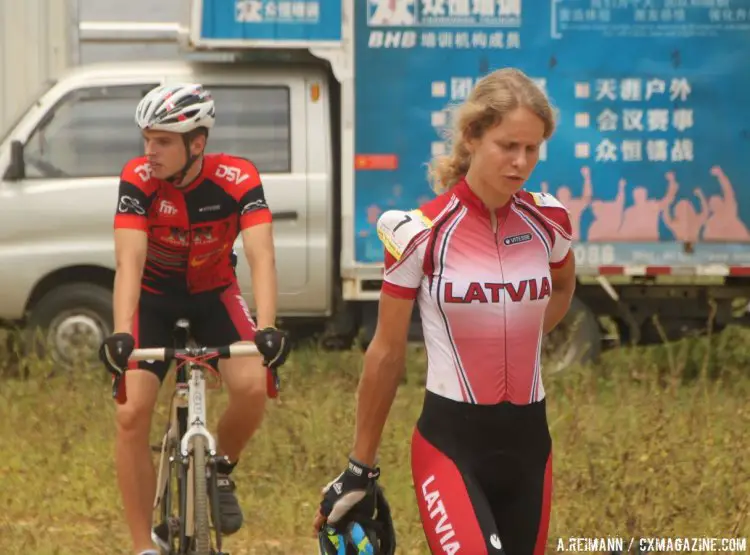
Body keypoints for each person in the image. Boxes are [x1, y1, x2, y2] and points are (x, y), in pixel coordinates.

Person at [312, 68, 576, 555]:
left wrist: (517, 336)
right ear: (473, 136)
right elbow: (387, 352)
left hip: (530, 447)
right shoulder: (419, 231)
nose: (520, 162)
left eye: (532, 149)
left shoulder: (550, 219)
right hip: (451, 446)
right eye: (507, 145)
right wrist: (359, 468)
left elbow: (562, 287)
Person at [99, 83, 291, 555]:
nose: (150, 151)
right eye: (146, 138)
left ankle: (221, 468)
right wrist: (123, 331)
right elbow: (130, 261)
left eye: (162, 141)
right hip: (153, 299)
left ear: (196, 143)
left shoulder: (238, 177)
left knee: (251, 386)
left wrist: (268, 326)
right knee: (132, 412)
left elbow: (261, 255)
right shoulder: (138, 179)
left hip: (214, 293)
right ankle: (145, 544)